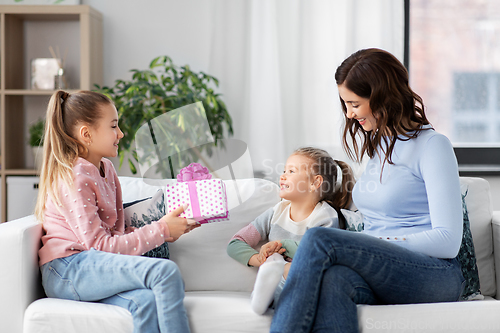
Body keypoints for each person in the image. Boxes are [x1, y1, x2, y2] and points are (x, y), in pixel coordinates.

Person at [270, 48, 465, 333]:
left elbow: (448, 241)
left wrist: (377, 243)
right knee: (334, 280)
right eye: (345, 104)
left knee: (320, 239)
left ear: (382, 96)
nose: (349, 114)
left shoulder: (433, 146)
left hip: (434, 274)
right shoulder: (379, 148)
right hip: (386, 269)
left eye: (354, 104)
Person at [35, 90, 199, 333]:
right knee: (164, 273)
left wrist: (167, 231)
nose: (121, 133)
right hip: (68, 269)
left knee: (146, 301)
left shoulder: (106, 169)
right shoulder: (75, 175)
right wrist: (160, 230)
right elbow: (98, 246)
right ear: (86, 134)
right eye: (113, 126)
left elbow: (113, 234)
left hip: (90, 265)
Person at [227, 147, 357, 315]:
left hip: (308, 282)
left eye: (291, 171)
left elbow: (319, 254)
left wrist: (281, 245)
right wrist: (260, 259)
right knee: (274, 259)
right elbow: (235, 243)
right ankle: (266, 289)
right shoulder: (276, 212)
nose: (283, 176)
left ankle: (271, 290)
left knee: (291, 266)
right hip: (274, 274)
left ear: (315, 183)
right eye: (284, 170)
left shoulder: (325, 216)